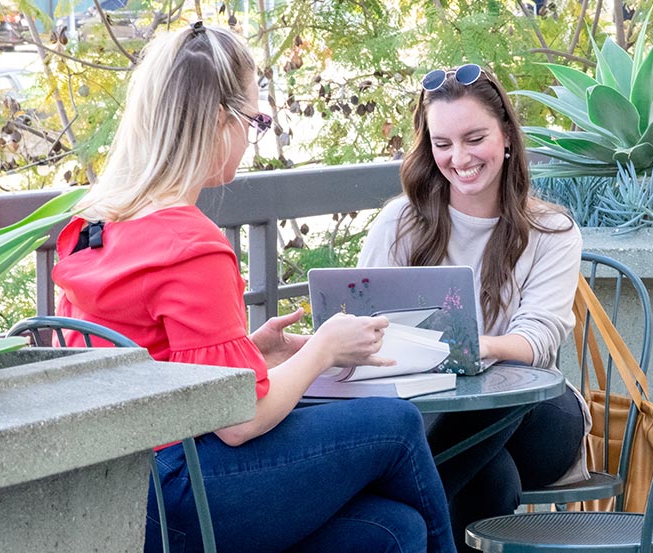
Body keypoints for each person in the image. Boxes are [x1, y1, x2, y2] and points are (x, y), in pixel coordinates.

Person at [52, 22, 456, 553]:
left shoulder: (93, 226)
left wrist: (251, 351)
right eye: (253, 119)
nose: (250, 135)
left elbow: (146, 359)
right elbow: (239, 424)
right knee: (399, 425)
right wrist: (320, 350)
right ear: (219, 121)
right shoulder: (190, 243)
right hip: (179, 492)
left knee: (392, 530)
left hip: (107, 488)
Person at [357, 63, 591, 550]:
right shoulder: (400, 223)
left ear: (506, 134)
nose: (458, 158)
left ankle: (374, 512)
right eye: (442, 145)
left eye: (473, 138)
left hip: (536, 416)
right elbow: (365, 325)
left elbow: (539, 340)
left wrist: (473, 347)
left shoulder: (553, 231)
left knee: (494, 405)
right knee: (491, 477)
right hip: (434, 412)